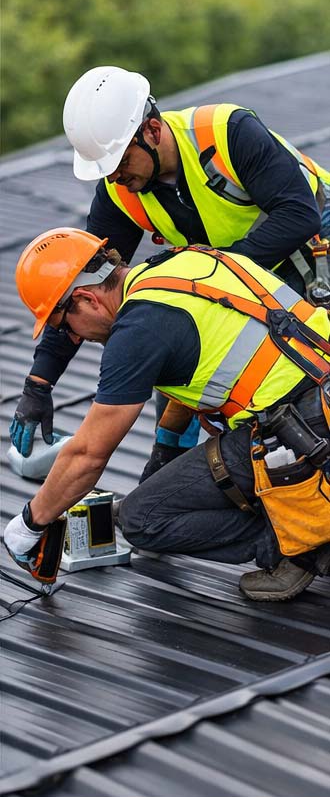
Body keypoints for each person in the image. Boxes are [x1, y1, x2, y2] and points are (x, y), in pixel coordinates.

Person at [9, 66, 330, 468]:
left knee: (308, 364)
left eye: (122, 161)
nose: (117, 176)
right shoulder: (120, 191)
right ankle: (170, 466)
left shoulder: (227, 131)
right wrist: (39, 382)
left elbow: (298, 216)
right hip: (242, 272)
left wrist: (210, 271)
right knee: (178, 344)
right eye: (108, 168)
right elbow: (81, 285)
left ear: (153, 130)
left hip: (312, 249)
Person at [5, 228, 330, 601]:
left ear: (86, 299)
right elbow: (207, 365)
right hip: (319, 400)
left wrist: (30, 523)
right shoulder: (185, 262)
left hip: (303, 428)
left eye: (65, 326)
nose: (74, 338)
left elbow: (88, 455)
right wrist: (164, 455)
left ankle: (299, 544)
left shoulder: (138, 329)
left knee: (142, 520)